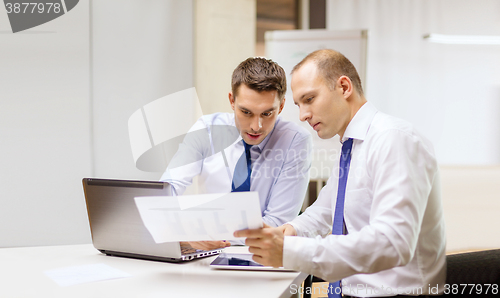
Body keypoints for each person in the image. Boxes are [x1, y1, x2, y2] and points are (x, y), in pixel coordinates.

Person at [235, 49, 446, 297]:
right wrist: (288, 231)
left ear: (344, 87)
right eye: (298, 104)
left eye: (309, 99)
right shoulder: (352, 147)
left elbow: (393, 242)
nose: (303, 115)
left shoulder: (394, 140)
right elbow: (325, 211)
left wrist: (289, 251)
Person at [161, 57, 312, 251]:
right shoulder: (207, 130)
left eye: (267, 114)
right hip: (208, 256)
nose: (256, 126)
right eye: (246, 112)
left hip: (263, 257)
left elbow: (276, 223)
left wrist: (205, 233)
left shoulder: (295, 141)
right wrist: (184, 232)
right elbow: (167, 190)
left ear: (281, 106)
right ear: (232, 101)